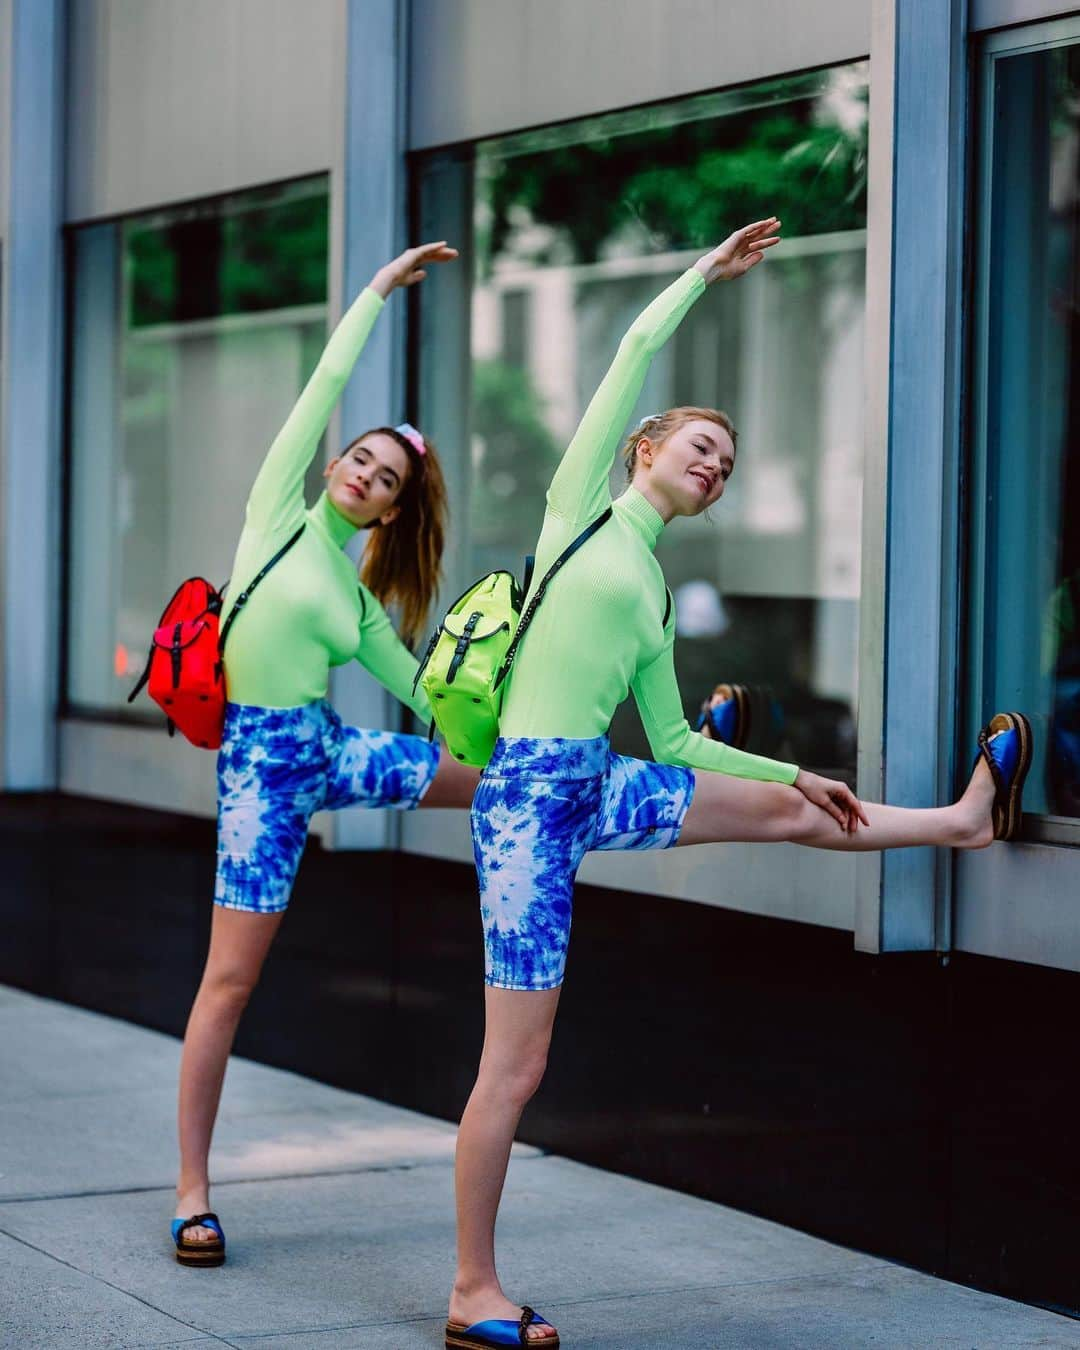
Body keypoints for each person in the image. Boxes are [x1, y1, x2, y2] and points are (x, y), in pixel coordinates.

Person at [446, 218, 1030, 1347]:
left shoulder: (657, 596)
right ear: (643, 453)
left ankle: (960, 822)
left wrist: (793, 768)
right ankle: (475, 1291)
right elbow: (625, 355)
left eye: (725, 459)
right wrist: (703, 276)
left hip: (604, 780)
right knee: (514, 1068)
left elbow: (672, 741)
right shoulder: (578, 521)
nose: (713, 462)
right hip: (520, 801)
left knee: (785, 811)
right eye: (697, 445)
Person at [172, 242, 482, 1268]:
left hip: (333, 750)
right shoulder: (274, 515)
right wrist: (378, 293)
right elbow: (322, 386)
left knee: (506, 785)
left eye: (385, 479)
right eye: (360, 459)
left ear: (391, 509)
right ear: (337, 463)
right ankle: (192, 1192)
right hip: (261, 769)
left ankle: (629, 779)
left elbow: (426, 690)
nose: (363, 474)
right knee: (228, 985)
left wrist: (498, 698)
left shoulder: (355, 599)